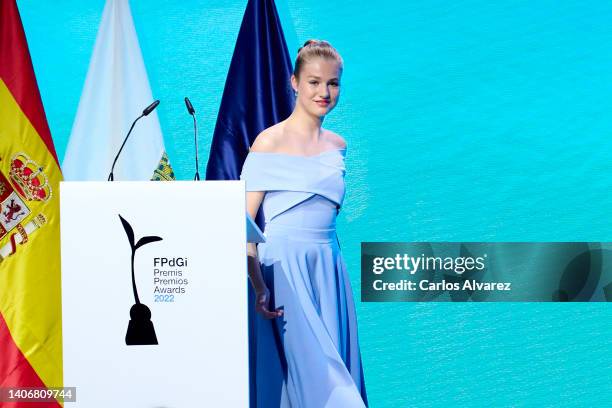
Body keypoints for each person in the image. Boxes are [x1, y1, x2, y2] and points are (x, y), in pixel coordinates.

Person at [241, 39, 368, 407]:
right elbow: (243, 225)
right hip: (285, 271)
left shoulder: (338, 144)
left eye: (332, 83)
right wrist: (259, 285)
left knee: (336, 375)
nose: (324, 92)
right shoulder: (269, 141)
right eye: (314, 82)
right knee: (323, 386)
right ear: (294, 82)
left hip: (328, 270)